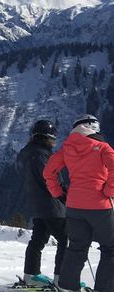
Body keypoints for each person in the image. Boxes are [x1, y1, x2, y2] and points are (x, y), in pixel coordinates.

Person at [44, 114, 114, 292]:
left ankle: (67, 287)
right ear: (93, 128)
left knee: (76, 247)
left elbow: (48, 172)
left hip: (74, 206)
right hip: (100, 206)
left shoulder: (67, 149)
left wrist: (58, 194)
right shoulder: (102, 147)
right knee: (111, 248)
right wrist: (109, 191)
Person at [18, 120, 67, 288]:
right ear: (47, 137)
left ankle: (31, 274)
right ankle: (63, 280)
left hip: (37, 204)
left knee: (37, 240)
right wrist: (66, 197)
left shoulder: (28, 153)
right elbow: (52, 180)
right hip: (52, 206)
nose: (55, 142)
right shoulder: (42, 155)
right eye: (53, 138)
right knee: (66, 239)